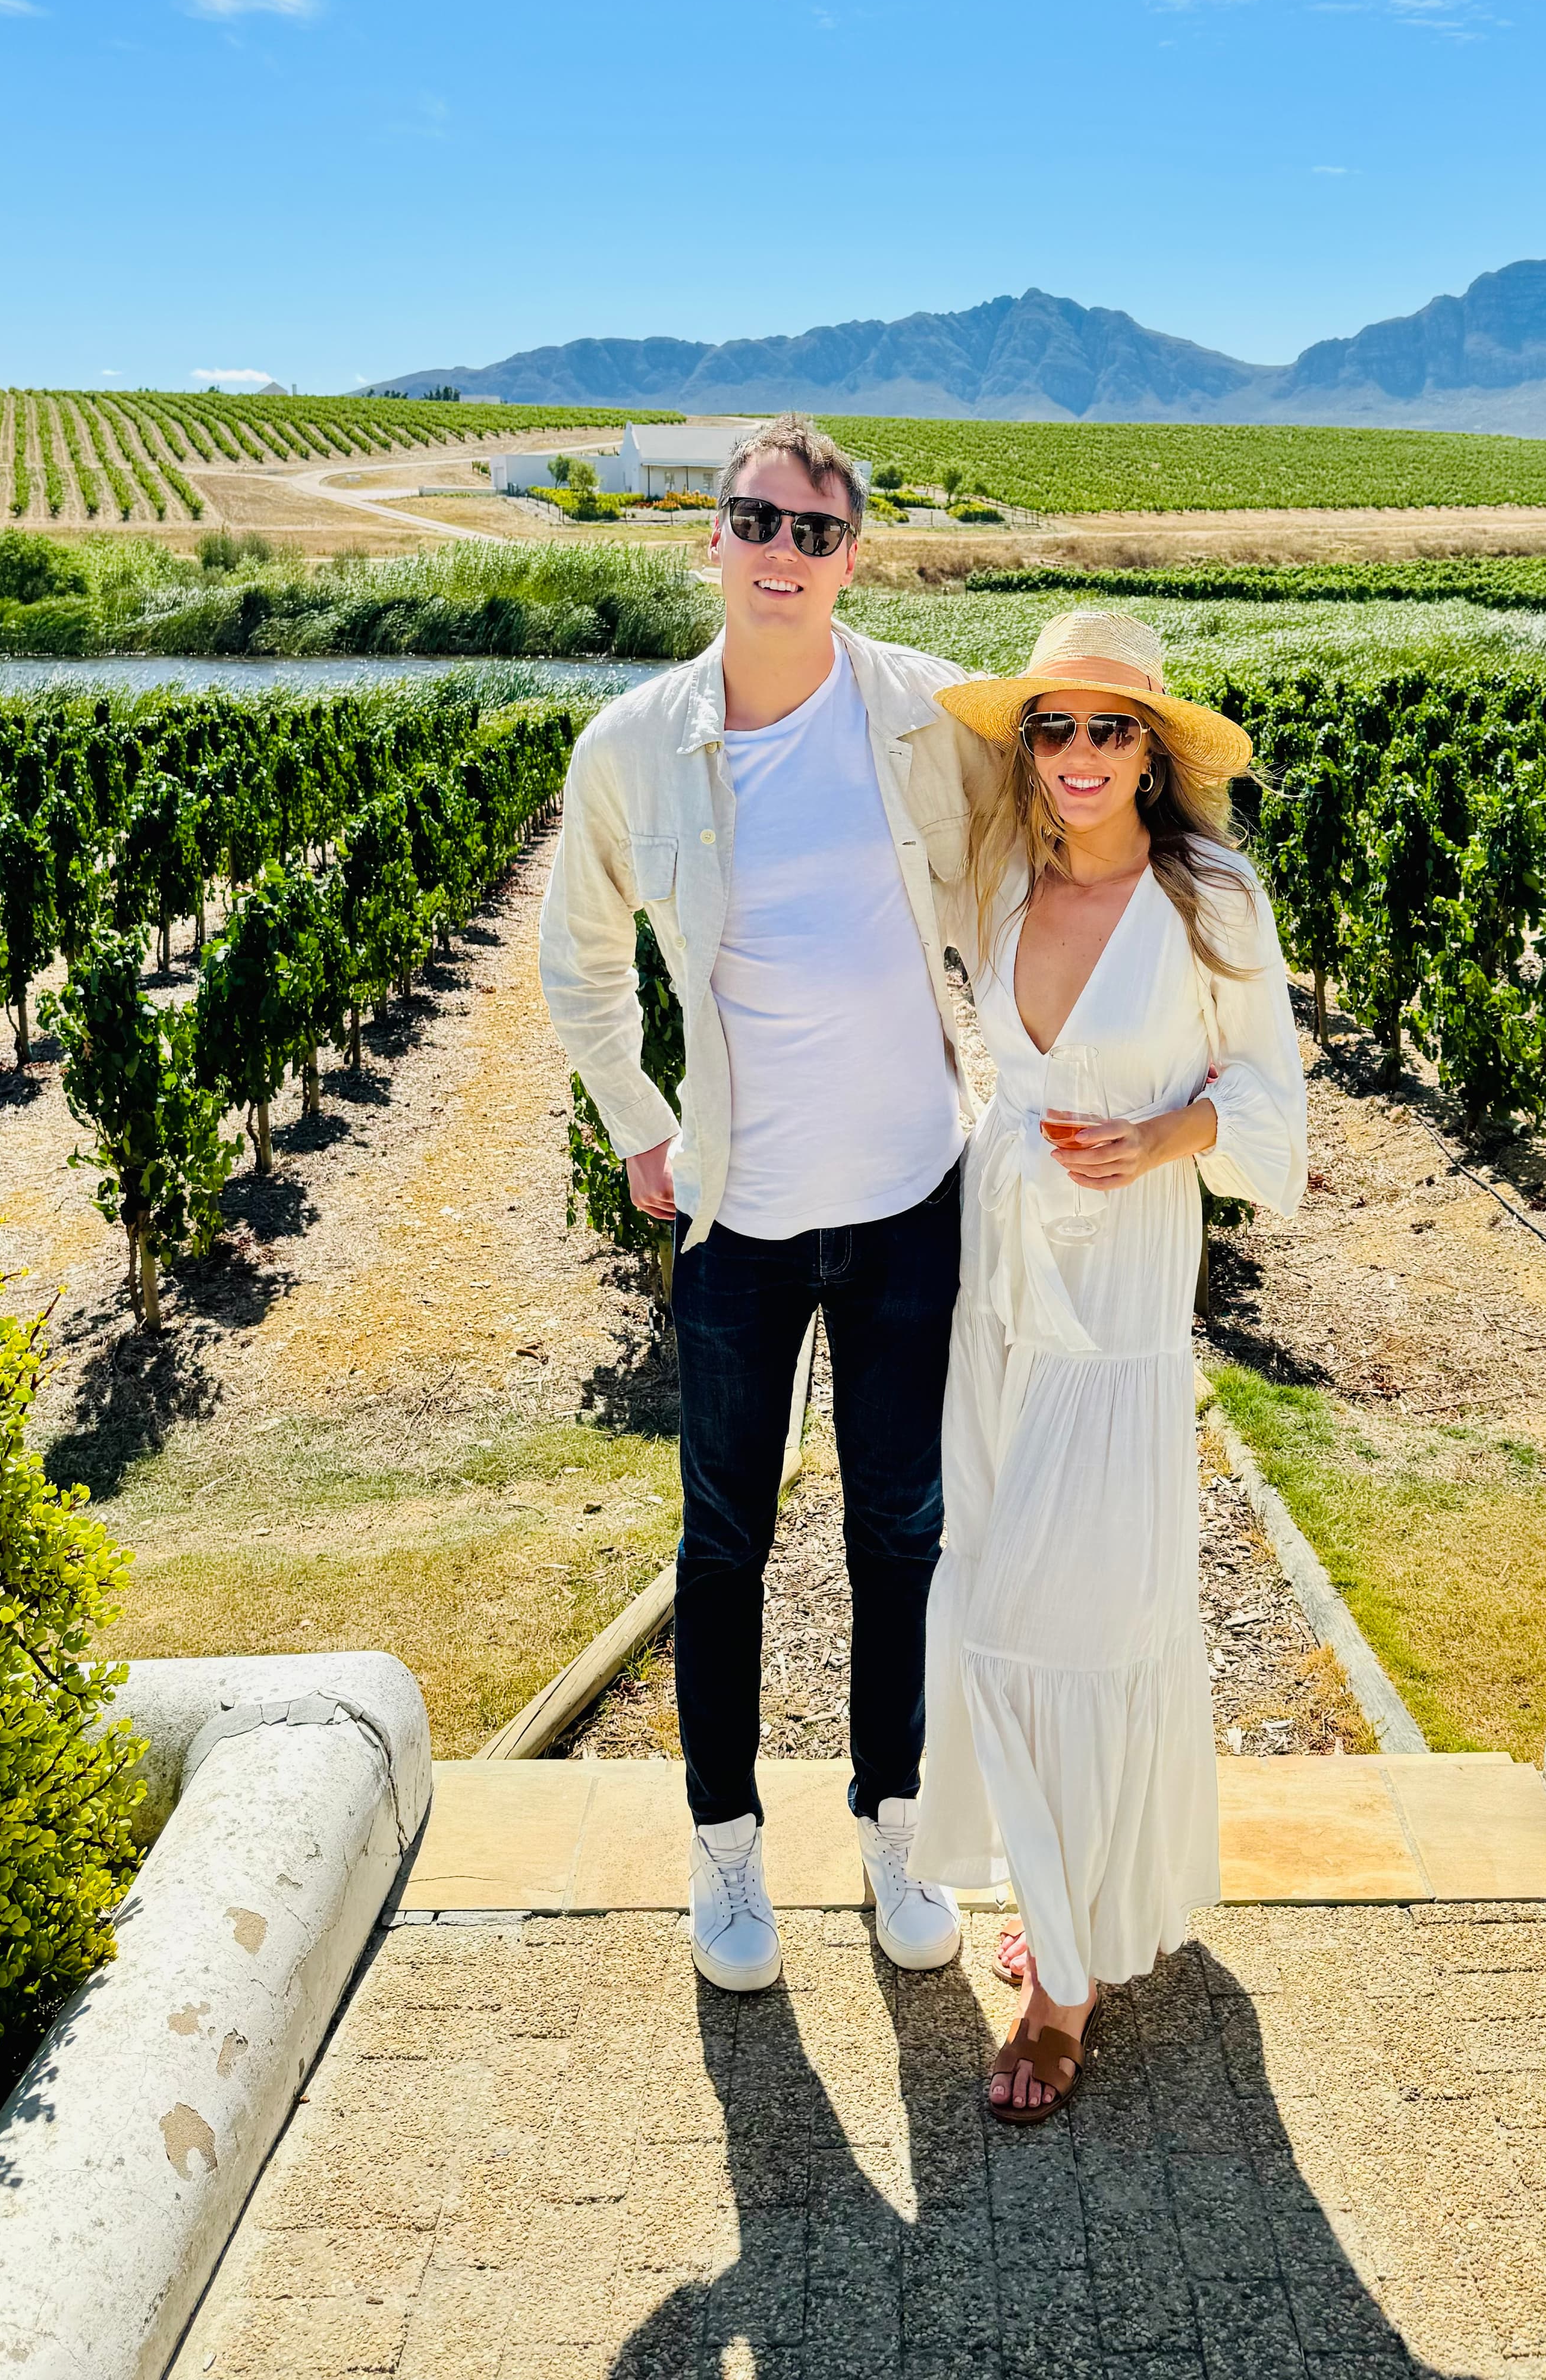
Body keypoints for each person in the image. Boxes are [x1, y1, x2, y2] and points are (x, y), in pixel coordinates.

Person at [539, 413, 995, 1993]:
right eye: (757, 522)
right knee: (722, 1544)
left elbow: (1070, 809)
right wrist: (639, 1117)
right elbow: (578, 961)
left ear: (852, 558)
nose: (783, 554)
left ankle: (895, 1827)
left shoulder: (925, 714)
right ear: (711, 540)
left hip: (907, 1205)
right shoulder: (635, 748)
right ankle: (726, 1853)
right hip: (736, 1219)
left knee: (901, 1536)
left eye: (814, 532)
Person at [910, 608, 1308, 2122]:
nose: (1080, 753)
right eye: (1054, 727)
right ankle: (1068, 1893)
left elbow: (1275, 1109)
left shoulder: (1213, 898)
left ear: (1155, 752)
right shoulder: (998, 876)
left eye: (1111, 727)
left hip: (1125, 1290)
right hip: (998, 1288)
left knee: (1059, 1613)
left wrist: (1171, 1132)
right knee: (999, 1589)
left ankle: (1063, 1993)